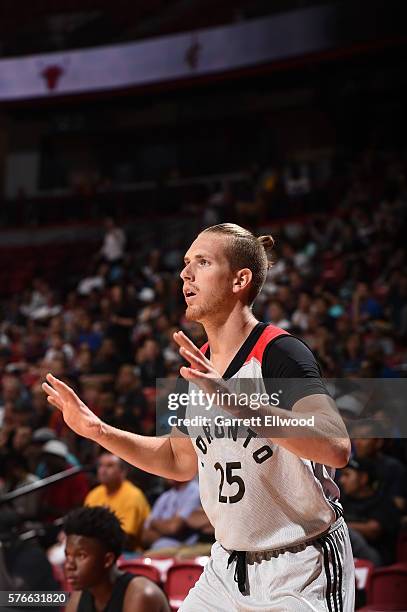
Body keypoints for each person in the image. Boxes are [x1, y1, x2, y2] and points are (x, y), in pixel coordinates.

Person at [43, 223, 354, 611]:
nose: (185, 274)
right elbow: (178, 461)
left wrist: (237, 401)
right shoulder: (193, 370)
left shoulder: (281, 352)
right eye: (187, 262)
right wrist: (98, 430)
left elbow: (336, 446)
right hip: (226, 564)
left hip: (302, 562)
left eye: (203, 262)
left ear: (240, 279)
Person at [63, 506, 170, 612]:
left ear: (107, 560)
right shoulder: (77, 599)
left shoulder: (141, 594)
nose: (69, 565)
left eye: (81, 555)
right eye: (68, 555)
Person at [339, 457, 400, 565]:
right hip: (349, 557)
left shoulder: (382, 501)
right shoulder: (343, 501)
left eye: (347, 475)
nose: (341, 480)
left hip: (377, 559)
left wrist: (342, 526)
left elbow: (373, 530)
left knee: (343, 531)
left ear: (363, 478)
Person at [84, 452, 150, 551]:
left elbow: (126, 538)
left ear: (123, 472)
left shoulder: (133, 495)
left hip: (127, 552)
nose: (103, 470)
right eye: (100, 465)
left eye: (109, 466)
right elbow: (83, 525)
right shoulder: (94, 494)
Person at [141, 478, 201, 551]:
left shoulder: (196, 491)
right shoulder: (165, 495)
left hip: (185, 550)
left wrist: (155, 524)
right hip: (158, 549)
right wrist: (168, 525)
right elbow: (145, 536)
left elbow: (173, 528)